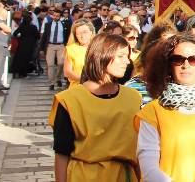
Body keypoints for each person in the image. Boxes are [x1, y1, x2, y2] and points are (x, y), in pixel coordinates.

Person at [135, 34, 195, 181]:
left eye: (193, 59)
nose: (186, 65)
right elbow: (149, 169)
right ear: (168, 65)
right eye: (178, 59)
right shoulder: (152, 112)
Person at [50, 33, 141, 181]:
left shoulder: (133, 98)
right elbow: (62, 152)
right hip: (84, 176)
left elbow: (138, 149)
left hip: (124, 176)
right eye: (121, 56)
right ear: (103, 55)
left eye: (127, 56)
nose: (127, 61)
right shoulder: (69, 100)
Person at [41, 7, 72, 90]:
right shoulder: (48, 25)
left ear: (60, 16)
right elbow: (44, 37)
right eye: (54, 16)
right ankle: (51, 83)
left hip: (61, 45)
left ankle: (58, 78)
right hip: (50, 45)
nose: (55, 17)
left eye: (57, 16)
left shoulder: (64, 24)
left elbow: (68, 35)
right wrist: (41, 49)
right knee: (50, 64)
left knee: (61, 63)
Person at [64, 19, 96, 85]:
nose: (82, 36)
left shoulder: (98, 47)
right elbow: (67, 72)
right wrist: (84, 80)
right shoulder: (71, 49)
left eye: (85, 32)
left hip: (97, 88)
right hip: (77, 87)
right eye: (78, 33)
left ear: (91, 32)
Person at [10, 11, 40, 78]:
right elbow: (38, 36)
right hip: (30, 46)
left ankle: (18, 72)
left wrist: (20, 37)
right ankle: (24, 73)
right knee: (27, 59)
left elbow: (15, 33)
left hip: (21, 45)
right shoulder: (33, 27)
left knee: (20, 59)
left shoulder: (21, 26)